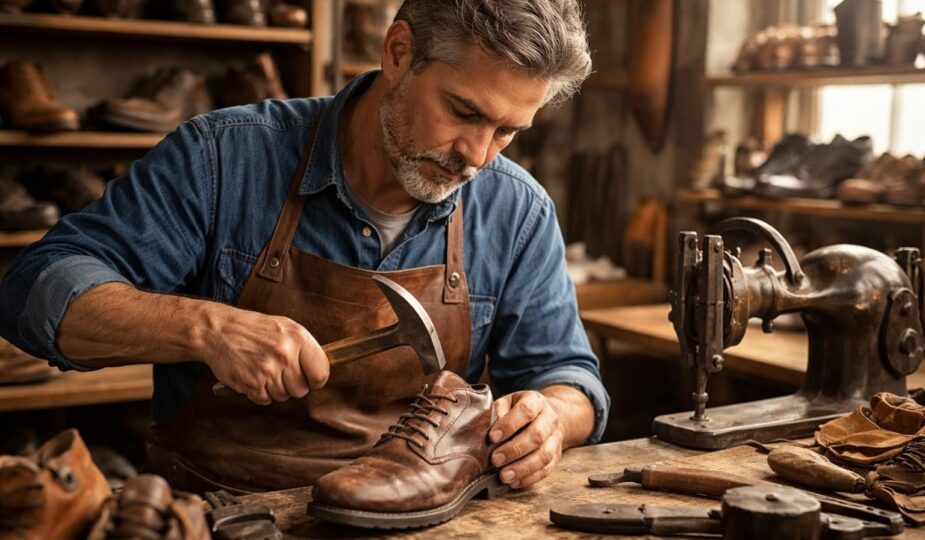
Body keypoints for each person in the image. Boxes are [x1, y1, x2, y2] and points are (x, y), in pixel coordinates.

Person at [0, 0, 610, 493]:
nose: (477, 155)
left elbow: (569, 376)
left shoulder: (517, 209)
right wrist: (203, 327)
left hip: (415, 516)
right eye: (462, 112)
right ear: (399, 53)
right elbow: (34, 290)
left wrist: (551, 416)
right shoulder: (223, 158)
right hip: (221, 507)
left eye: (507, 131)